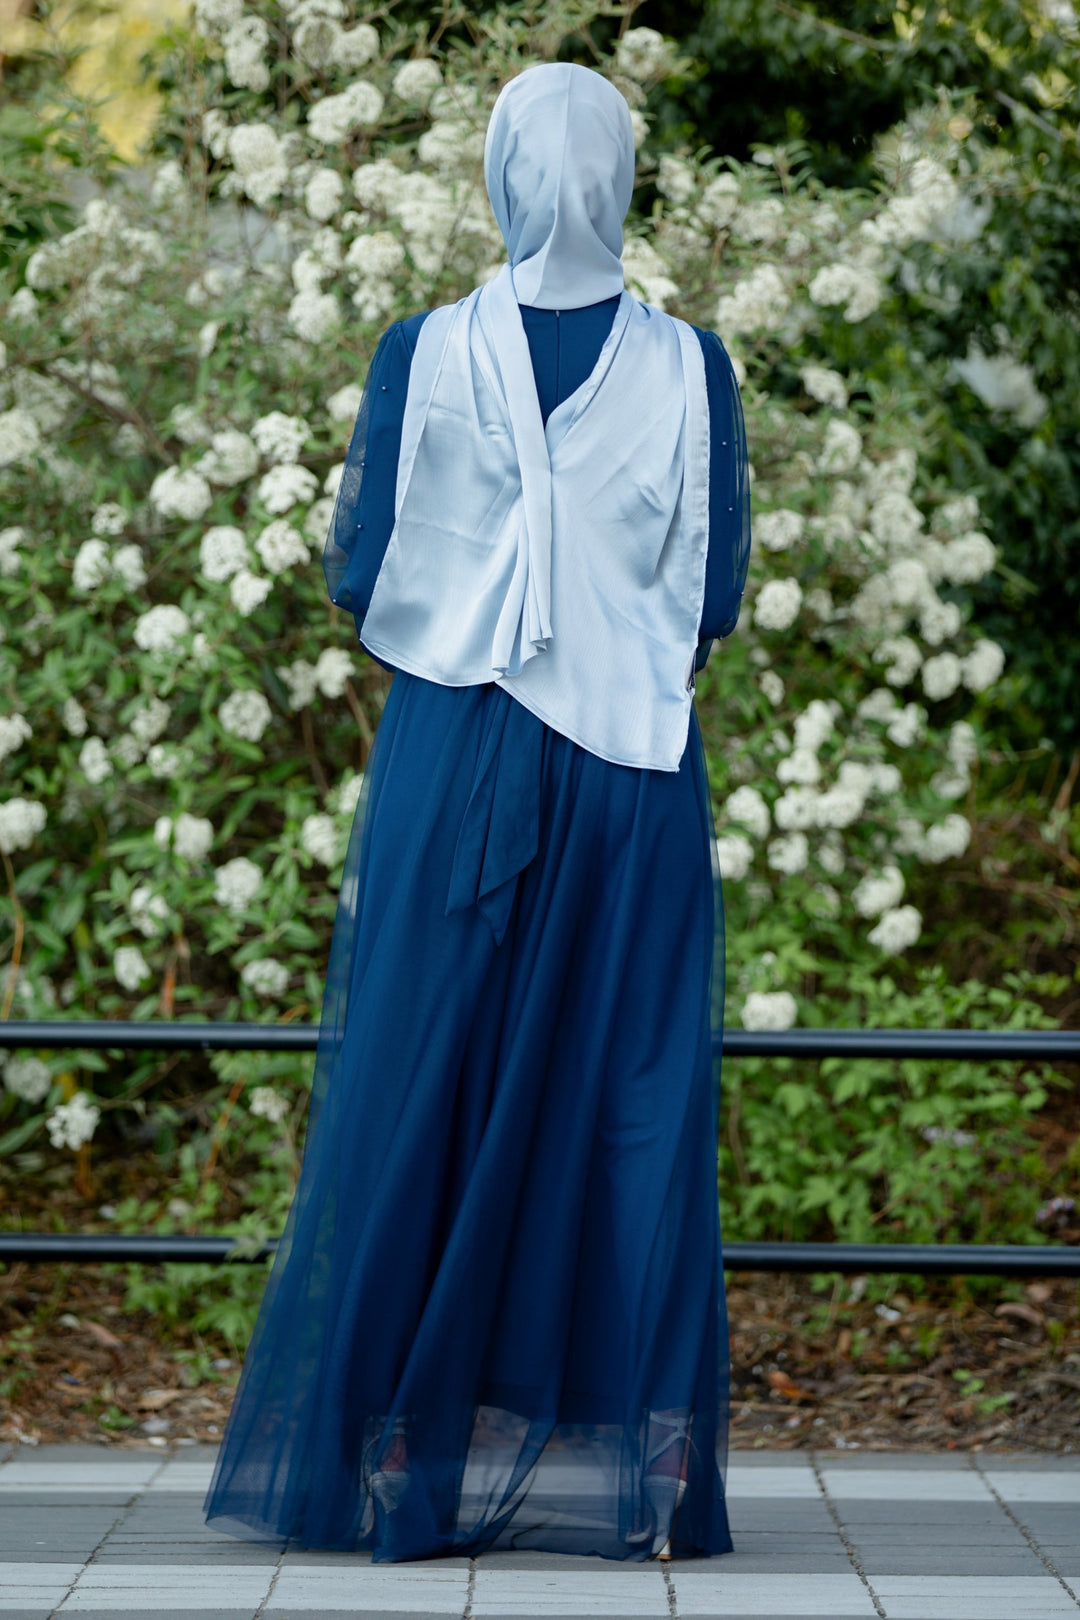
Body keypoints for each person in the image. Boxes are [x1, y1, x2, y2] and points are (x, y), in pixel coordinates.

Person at [203, 60, 751, 1565]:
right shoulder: (692, 364)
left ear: (503, 176)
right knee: (632, 1099)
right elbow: (712, 598)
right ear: (624, 176)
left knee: (423, 1081)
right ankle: (649, 1481)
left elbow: (360, 567)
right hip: (633, 768)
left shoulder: (421, 348)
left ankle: (398, 1460)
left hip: (456, 757)